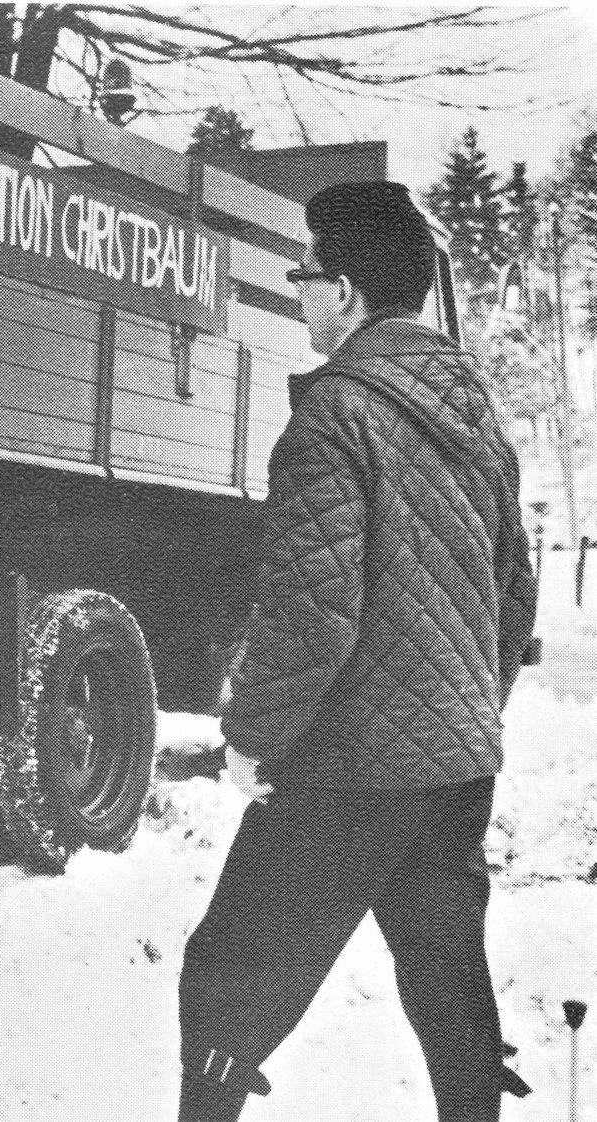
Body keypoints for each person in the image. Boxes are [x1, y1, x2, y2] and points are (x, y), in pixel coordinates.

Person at [177, 182, 538, 1122]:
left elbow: (310, 609)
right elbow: (513, 595)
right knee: (442, 966)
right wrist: (463, 709)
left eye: (302, 274)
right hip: (456, 768)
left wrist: (250, 736)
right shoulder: (477, 418)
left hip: (348, 769)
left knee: (228, 970)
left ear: (340, 289)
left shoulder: (334, 414)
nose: (297, 292)